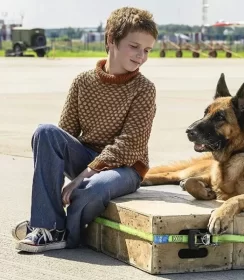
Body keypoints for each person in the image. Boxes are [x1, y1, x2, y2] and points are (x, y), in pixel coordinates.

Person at [12, 7, 158, 253]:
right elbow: (63, 134)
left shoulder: (144, 88)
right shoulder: (83, 81)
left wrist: (81, 177)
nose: (140, 56)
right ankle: (48, 227)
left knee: (92, 189)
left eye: (147, 51)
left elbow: (130, 144)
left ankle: (62, 233)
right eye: (134, 47)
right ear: (111, 39)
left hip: (126, 168)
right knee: (45, 132)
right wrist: (74, 172)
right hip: (87, 159)